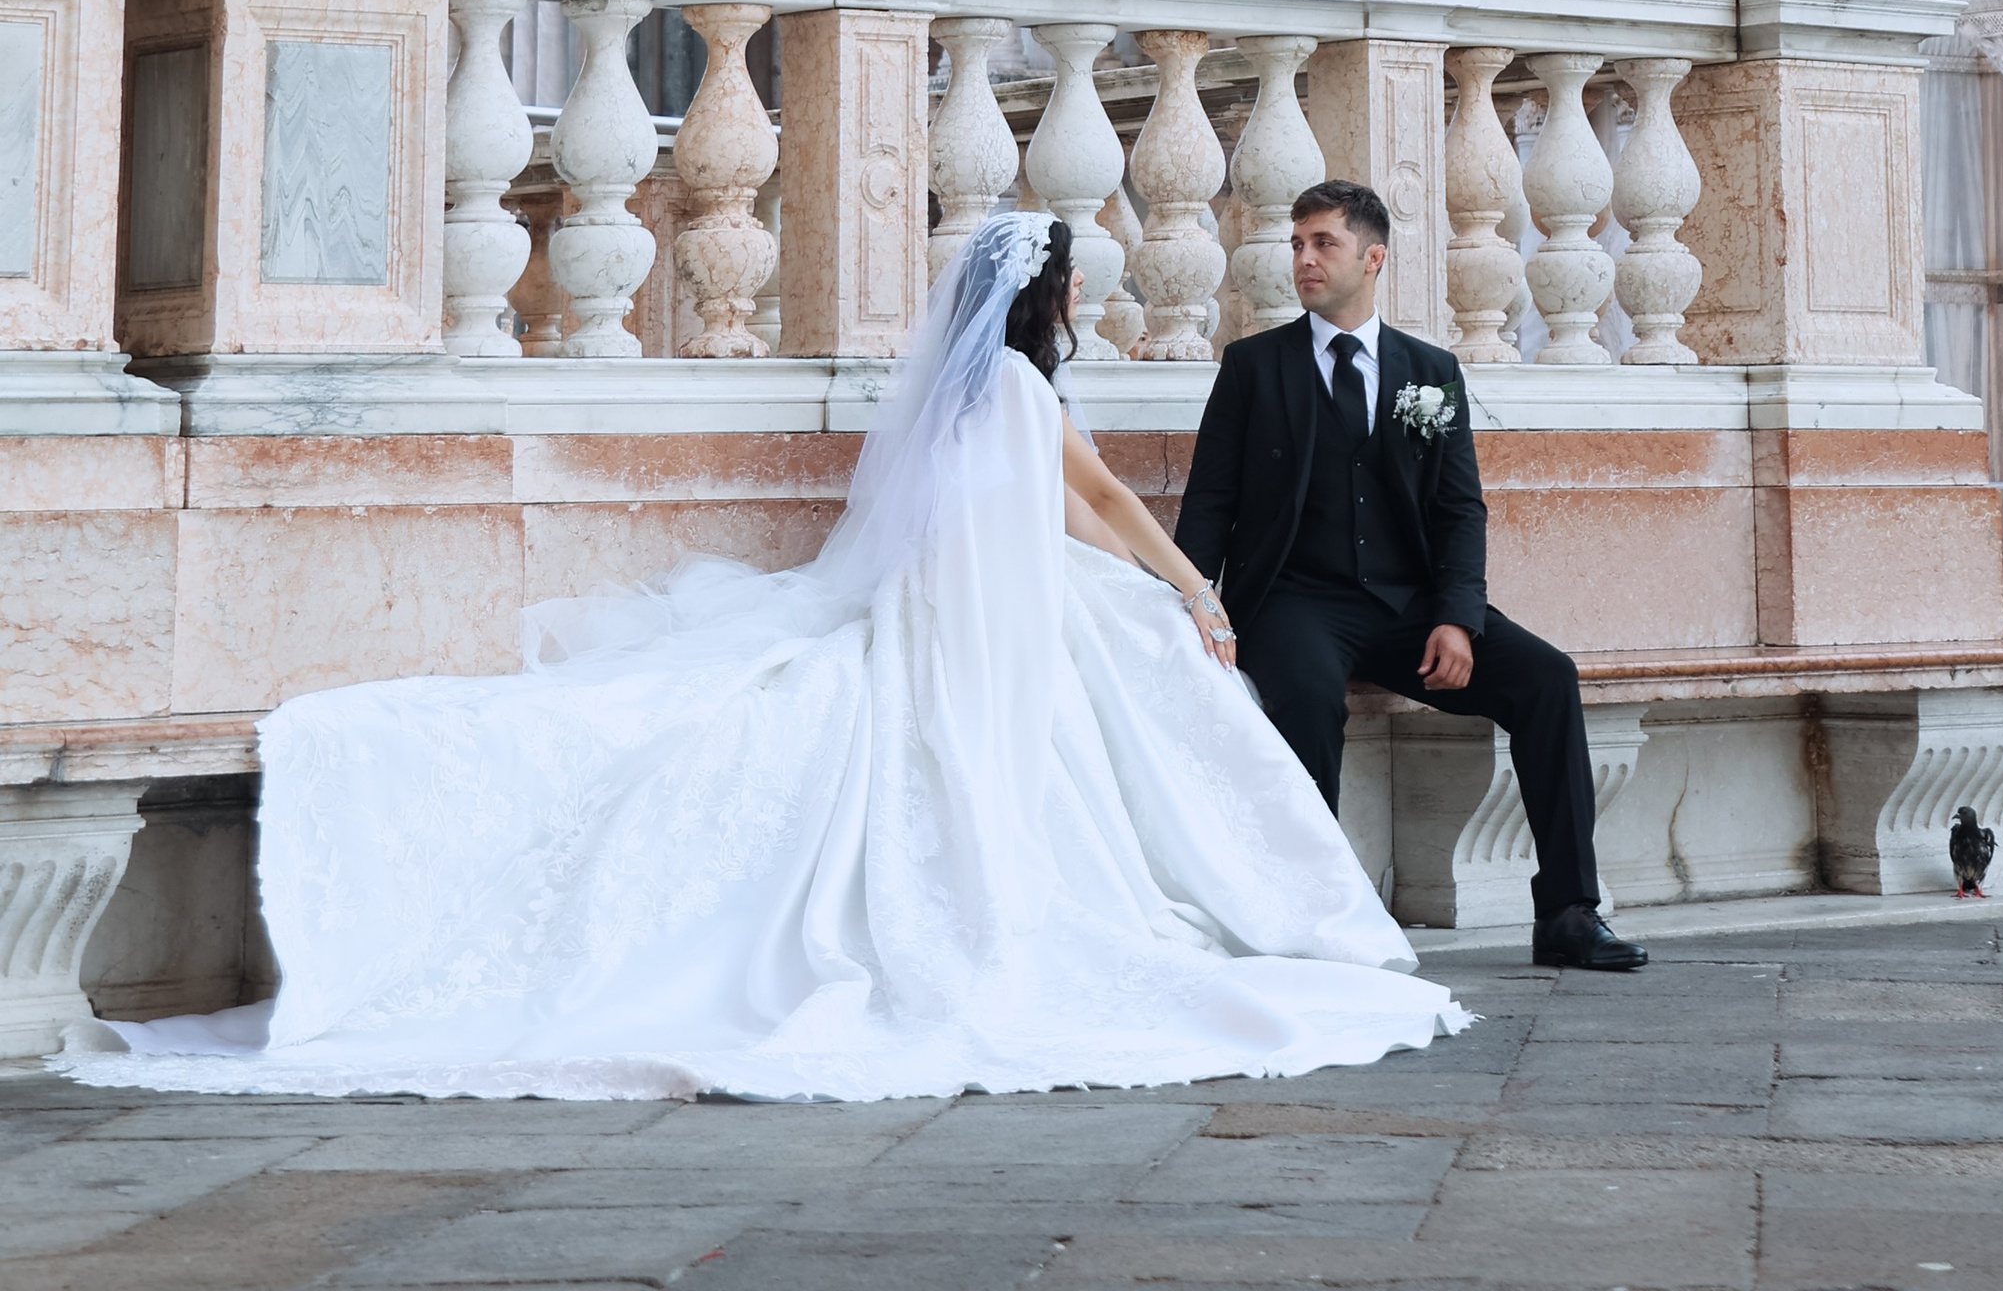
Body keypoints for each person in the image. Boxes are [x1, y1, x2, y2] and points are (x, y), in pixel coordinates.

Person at [71, 215, 1464, 1104]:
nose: (1087, 290)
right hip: (997, 623)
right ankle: (1274, 898)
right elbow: (1093, 502)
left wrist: (1161, 588)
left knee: (1136, 649)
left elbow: (1052, 512)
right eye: (1075, 278)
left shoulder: (968, 393)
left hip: (955, 609)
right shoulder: (1017, 387)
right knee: (1155, 661)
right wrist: (1188, 590)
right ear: (1044, 295)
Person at [1175, 180, 1648, 975]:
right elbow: (1210, 502)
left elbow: (1460, 510)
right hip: (1295, 601)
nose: (1304, 259)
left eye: (1323, 243)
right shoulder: (1254, 366)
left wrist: (1457, 617)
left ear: (1373, 258)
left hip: (1410, 606)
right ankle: (1312, 914)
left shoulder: (1431, 370)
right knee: (1306, 701)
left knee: (1547, 679)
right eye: (1297, 244)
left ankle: (1569, 913)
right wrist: (1195, 606)